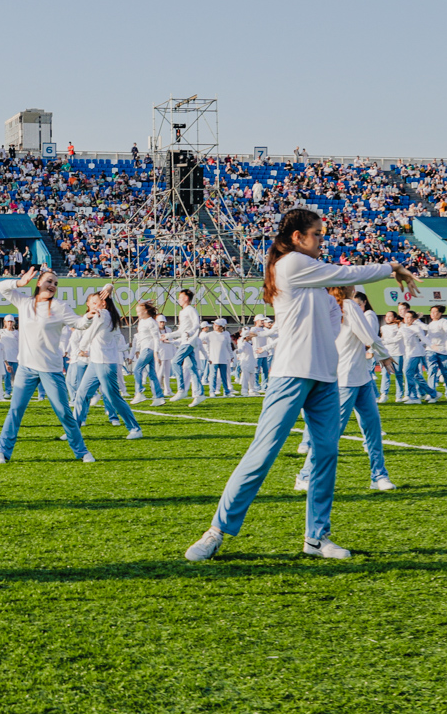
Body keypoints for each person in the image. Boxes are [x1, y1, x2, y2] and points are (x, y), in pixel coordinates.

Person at [185, 207, 416, 563]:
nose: (323, 240)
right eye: (318, 234)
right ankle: (216, 531)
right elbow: (344, 272)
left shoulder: (321, 288)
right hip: (291, 373)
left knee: (326, 455)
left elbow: (337, 296)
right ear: (298, 237)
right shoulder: (291, 264)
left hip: (326, 378)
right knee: (262, 453)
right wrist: (392, 267)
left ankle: (316, 537)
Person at [0, 268, 103, 464]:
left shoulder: (60, 306)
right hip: (26, 368)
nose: (52, 286)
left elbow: (78, 324)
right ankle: (2, 452)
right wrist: (19, 283)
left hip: (51, 370)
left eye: (55, 284)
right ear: (38, 283)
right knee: (15, 410)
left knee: (63, 412)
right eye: (49, 281)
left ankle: (82, 451)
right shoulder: (25, 303)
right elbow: (1, 287)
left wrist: (88, 316)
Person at [295, 287, 396, 492]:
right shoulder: (347, 306)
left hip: (360, 377)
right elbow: (369, 335)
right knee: (332, 432)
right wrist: (383, 355)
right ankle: (305, 475)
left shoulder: (331, 305)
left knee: (373, 429)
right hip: (345, 379)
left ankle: (379, 475)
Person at [71, 290, 142, 440]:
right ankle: (73, 430)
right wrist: (109, 286)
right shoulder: (105, 313)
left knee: (113, 397)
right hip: (95, 362)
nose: (93, 305)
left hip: (104, 362)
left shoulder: (103, 314)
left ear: (103, 303)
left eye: (96, 303)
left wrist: (81, 348)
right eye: (92, 303)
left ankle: (135, 428)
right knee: (81, 394)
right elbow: (105, 294)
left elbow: (89, 334)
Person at [129, 300, 165, 404]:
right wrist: (137, 349)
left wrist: (156, 352)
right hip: (144, 348)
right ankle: (159, 397)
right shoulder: (141, 322)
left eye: (139, 312)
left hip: (149, 349)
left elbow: (156, 338)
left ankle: (139, 392)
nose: (137, 314)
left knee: (136, 370)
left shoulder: (151, 322)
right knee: (152, 374)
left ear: (145, 311)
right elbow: (141, 337)